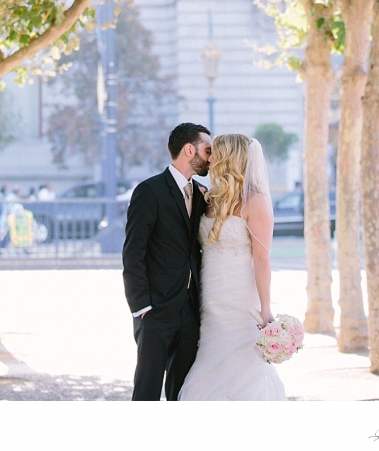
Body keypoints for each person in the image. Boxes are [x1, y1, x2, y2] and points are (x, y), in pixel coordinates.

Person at [178, 133, 286, 401]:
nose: (209, 157)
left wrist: (266, 308)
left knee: (242, 370)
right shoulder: (210, 198)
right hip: (209, 297)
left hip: (239, 299)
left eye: (214, 153)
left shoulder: (255, 202)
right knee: (206, 363)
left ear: (228, 158)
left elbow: (262, 258)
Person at [122, 122, 212, 401]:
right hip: (155, 311)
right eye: (208, 150)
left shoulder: (200, 195)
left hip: (189, 311)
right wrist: (142, 307)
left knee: (182, 392)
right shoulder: (149, 191)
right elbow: (133, 253)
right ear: (189, 150)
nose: (212, 157)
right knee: (147, 391)